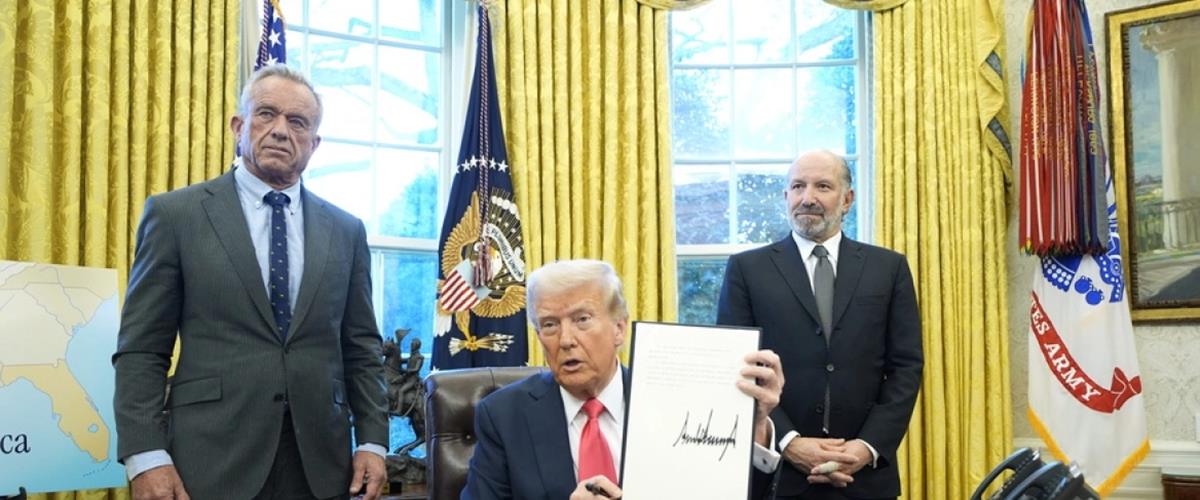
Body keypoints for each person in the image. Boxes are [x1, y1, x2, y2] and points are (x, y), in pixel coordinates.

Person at [112, 64, 389, 500]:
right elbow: (142, 349)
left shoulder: (346, 230)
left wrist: (373, 441)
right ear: (238, 126)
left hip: (321, 466)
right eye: (266, 114)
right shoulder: (175, 215)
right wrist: (145, 455)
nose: (280, 130)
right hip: (208, 462)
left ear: (314, 144)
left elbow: (362, 347)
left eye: (297, 122)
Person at [462, 259, 786, 500]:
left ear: (619, 328)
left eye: (582, 319)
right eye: (549, 325)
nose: (566, 340)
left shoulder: (674, 400)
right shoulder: (503, 415)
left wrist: (755, 424)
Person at [717, 150, 923, 499]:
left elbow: (906, 367)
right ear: (786, 195)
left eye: (822, 186)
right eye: (798, 186)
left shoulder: (889, 269)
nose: (807, 198)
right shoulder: (746, 270)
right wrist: (789, 442)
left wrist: (867, 447)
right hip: (779, 479)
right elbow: (738, 368)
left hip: (866, 479)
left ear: (847, 199)